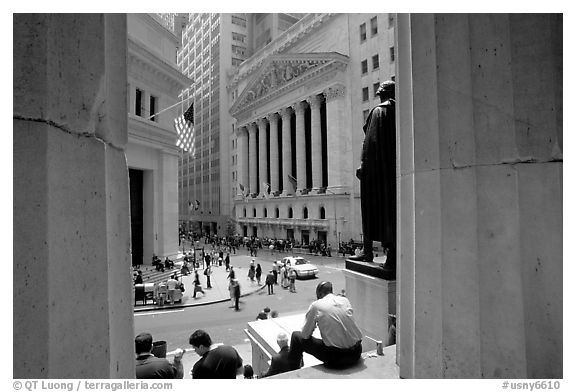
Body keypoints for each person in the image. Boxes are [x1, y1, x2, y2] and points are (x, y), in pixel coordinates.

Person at [350, 80, 397, 279]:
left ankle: (370, 251)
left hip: (376, 173)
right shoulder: (401, 110)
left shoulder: (379, 112)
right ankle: (389, 253)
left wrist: (364, 166)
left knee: (370, 211)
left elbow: (370, 142)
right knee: (391, 213)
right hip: (394, 172)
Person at [288, 281, 363, 369]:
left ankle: (292, 370)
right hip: (356, 353)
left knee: (296, 336)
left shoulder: (317, 305)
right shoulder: (345, 300)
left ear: (319, 294)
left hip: (337, 358)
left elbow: (305, 335)